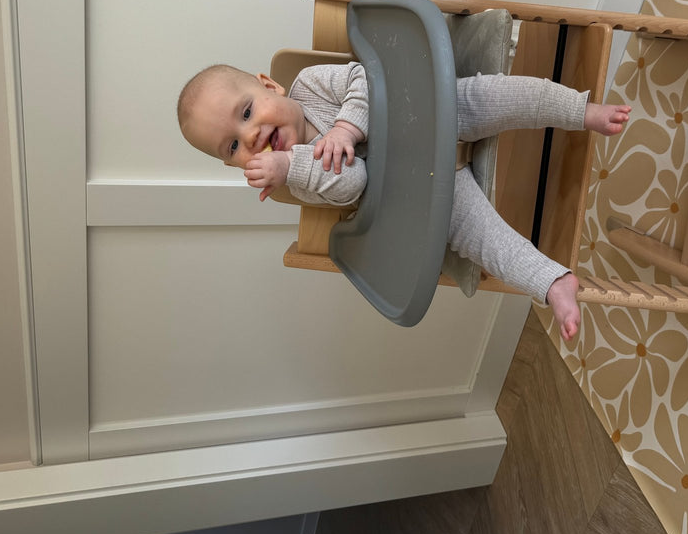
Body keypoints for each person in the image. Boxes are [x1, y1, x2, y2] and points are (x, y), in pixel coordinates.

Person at [177, 62, 630, 341]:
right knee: (479, 238)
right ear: (234, 166)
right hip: (421, 189)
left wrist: (345, 130)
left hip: (431, 109)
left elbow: (366, 80)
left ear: (269, 86)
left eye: (247, 113)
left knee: (500, 93)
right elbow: (353, 182)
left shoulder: (311, 83)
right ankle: (553, 283)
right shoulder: (295, 178)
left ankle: (581, 111)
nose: (251, 136)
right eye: (233, 147)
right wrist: (291, 166)